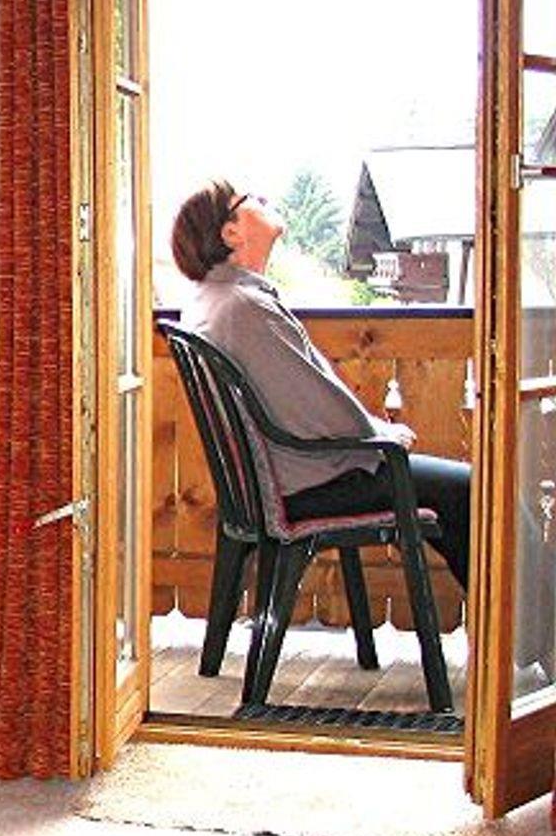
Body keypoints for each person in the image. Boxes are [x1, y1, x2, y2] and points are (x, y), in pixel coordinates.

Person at [169, 179, 471, 589]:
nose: (264, 198)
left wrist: (372, 432)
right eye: (251, 198)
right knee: (472, 491)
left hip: (280, 481)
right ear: (231, 232)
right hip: (308, 483)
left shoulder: (217, 300)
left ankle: (507, 619)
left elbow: (303, 402)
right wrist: (381, 435)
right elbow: (316, 410)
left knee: (453, 496)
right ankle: (519, 620)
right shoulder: (244, 309)